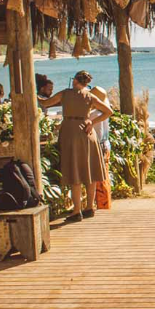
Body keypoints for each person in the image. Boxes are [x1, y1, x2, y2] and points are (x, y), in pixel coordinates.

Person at [38, 71, 113, 223]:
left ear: (74, 81)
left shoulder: (65, 93)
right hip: (87, 132)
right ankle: (89, 207)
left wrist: (35, 96)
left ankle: (76, 210)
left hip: (70, 131)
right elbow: (108, 111)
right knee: (89, 171)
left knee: (75, 172)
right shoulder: (90, 96)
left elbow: (45, 103)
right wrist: (92, 122)